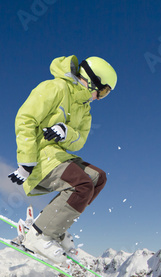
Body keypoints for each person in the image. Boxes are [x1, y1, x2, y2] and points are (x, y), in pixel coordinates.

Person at [8, 55, 117, 264]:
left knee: (98, 178)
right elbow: (25, 119)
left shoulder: (85, 109)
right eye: (103, 91)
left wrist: (66, 132)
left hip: (59, 157)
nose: (100, 97)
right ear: (91, 80)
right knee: (82, 184)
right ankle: (39, 236)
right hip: (39, 159)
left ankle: (55, 226)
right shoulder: (55, 88)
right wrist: (26, 163)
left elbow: (80, 141)